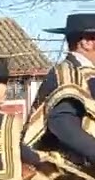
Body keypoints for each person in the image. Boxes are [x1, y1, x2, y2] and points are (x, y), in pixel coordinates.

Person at [23, 12, 95, 169]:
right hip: (69, 167)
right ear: (87, 42)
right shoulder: (68, 74)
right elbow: (62, 123)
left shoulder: (85, 73)